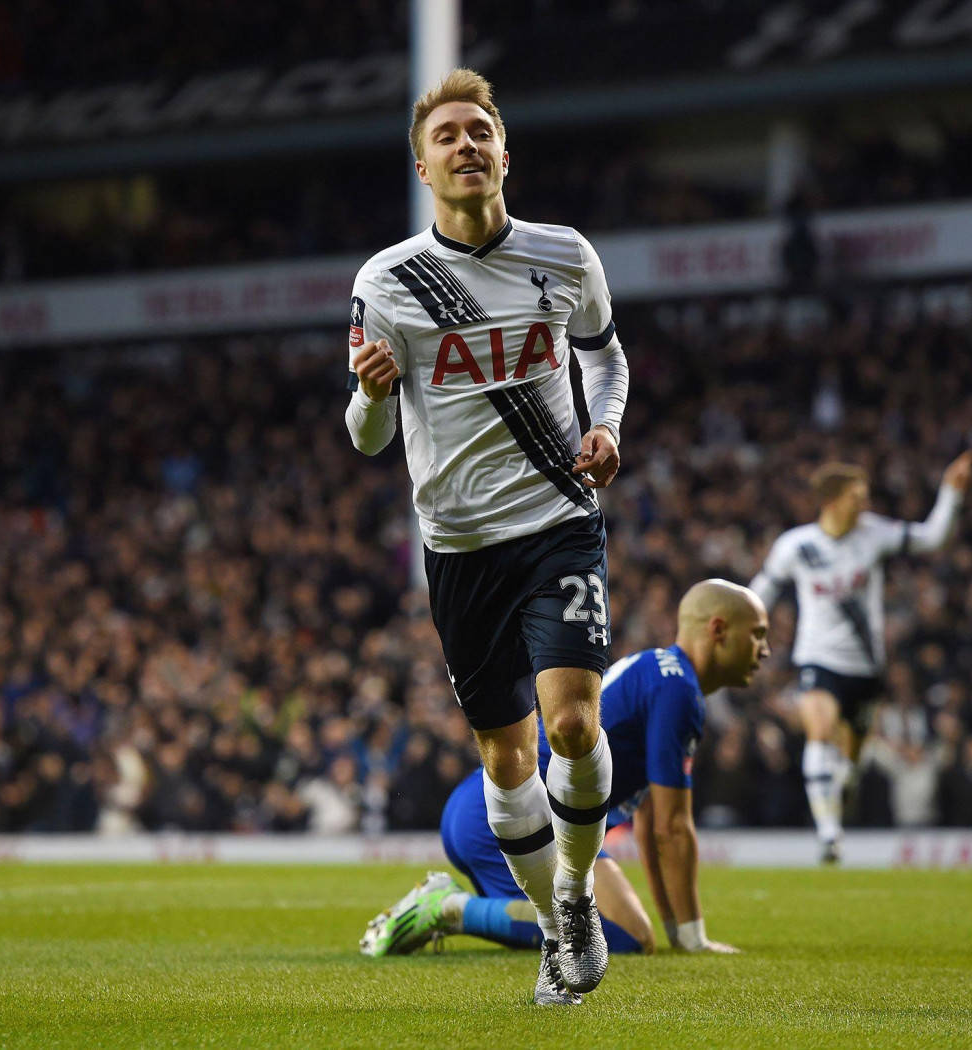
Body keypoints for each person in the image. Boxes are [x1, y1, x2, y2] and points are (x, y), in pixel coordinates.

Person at [344, 69, 630, 1006]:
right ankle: (554, 931)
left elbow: (605, 352)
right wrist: (373, 392)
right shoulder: (388, 282)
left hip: (557, 522)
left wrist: (610, 425)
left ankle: (577, 899)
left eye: (480, 132)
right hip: (460, 550)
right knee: (506, 763)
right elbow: (368, 439)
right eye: (448, 137)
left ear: (505, 152)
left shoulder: (562, 255)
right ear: (423, 165)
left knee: (574, 724)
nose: (466, 146)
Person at [361, 581, 769, 966]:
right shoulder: (678, 690)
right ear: (718, 630)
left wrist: (677, 932)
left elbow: (650, 828)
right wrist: (694, 937)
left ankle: (468, 910)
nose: (764, 650)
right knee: (619, 938)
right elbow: (673, 828)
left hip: (494, 810)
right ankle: (448, 908)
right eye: (757, 634)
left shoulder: (660, 674)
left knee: (631, 935)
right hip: (512, 819)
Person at [750, 453, 972, 863]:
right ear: (832, 500)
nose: (864, 503)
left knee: (849, 764)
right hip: (817, 660)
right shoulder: (797, 546)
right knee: (819, 732)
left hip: (868, 669)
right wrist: (737, 622)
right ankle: (829, 836)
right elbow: (759, 591)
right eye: (857, 496)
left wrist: (952, 493)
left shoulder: (875, 534)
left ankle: (840, 790)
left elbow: (933, 537)